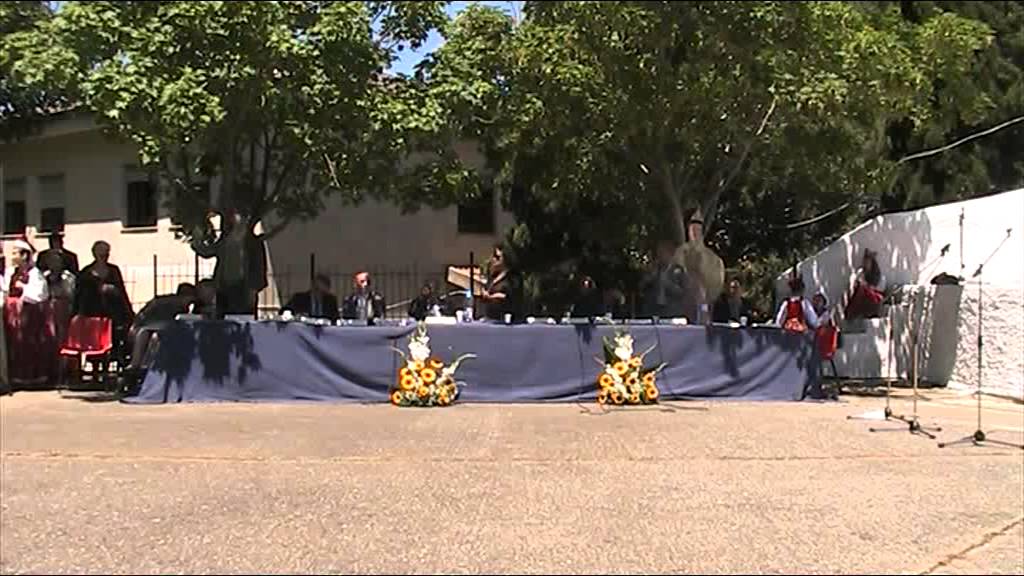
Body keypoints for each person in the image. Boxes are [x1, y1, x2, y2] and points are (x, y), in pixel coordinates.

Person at [191, 209, 268, 317]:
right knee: (223, 319)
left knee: (243, 318)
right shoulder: (225, 239)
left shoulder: (253, 242)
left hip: (244, 288)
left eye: (236, 216)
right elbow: (208, 251)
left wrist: (254, 288)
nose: (232, 219)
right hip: (224, 286)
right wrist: (197, 240)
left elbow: (259, 267)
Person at [3, 238, 56, 389]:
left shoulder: (34, 274)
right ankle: (15, 376)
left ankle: (32, 378)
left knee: (29, 346)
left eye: (15, 253)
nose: (12, 256)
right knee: (14, 345)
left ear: (24, 255)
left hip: (29, 315)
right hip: (12, 315)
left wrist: (23, 289)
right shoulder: (11, 272)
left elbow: (39, 294)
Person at [74, 241, 134, 361]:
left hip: (112, 314)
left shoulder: (113, 270)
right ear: (95, 254)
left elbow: (122, 291)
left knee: (114, 341)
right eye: (101, 254)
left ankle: (110, 365)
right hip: (93, 314)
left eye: (106, 254)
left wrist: (128, 311)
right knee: (95, 345)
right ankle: (96, 371)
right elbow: (80, 295)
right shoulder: (86, 272)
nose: (104, 257)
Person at [124, 283, 197, 374]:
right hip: (158, 328)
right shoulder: (178, 307)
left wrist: (135, 325)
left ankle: (135, 365)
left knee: (145, 334)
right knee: (152, 337)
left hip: (146, 327)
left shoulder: (160, 301)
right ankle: (145, 366)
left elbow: (142, 315)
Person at [642, 239, 701, 320]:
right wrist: (650, 277)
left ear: (670, 254)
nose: (659, 255)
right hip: (654, 311)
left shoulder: (679, 270)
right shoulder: (654, 269)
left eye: (662, 253)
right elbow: (642, 287)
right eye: (658, 253)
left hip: (672, 311)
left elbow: (684, 292)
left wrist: (669, 285)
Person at [42, 251, 76, 348]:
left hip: (63, 309)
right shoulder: (44, 276)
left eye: (56, 261)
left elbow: (70, 293)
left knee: (64, 335)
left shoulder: (68, 277)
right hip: (48, 309)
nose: (54, 264)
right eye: (51, 261)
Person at [844, 249, 887, 320]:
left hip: (874, 298)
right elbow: (855, 285)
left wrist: (869, 287)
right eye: (865, 262)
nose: (866, 264)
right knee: (860, 290)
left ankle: (851, 314)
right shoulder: (860, 273)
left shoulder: (878, 275)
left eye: (868, 262)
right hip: (863, 296)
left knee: (863, 289)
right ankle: (851, 313)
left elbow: (881, 289)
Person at [479, 245, 511, 321]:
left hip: (504, 318)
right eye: (494, 257)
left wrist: (492, 297)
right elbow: (485, 288)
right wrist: (483, 292)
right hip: (490, 317)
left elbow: (509, 296)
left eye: (498, 258)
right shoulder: (492, 276)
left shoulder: (511, 276)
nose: (494, 260)